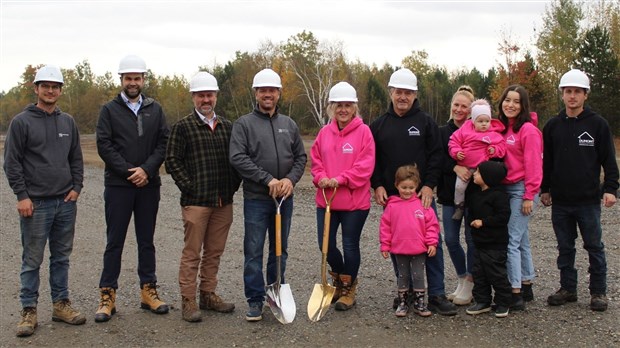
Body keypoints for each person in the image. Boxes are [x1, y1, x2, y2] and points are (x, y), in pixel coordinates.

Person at [3, 65, 86, 337]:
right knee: (32, 259)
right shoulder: (21, 122)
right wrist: (22, 196)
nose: (50, 90)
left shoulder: (67, 122)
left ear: (60, 90)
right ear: (35, 88)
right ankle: (29, 310)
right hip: (35, 204)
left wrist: (77, 188)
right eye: (45, 85)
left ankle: (61, 305)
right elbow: (11, 163)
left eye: (55, 86)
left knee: (61, 257)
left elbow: (75, 158)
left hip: (65, 202)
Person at [370, 68, 456, 316]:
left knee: (432, 243)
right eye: (399, 92)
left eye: (408, 92)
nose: (403, 97)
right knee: (399, 246)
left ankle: (437, 294)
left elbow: (436, 156)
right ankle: (405, 294)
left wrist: (429, 184)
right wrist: (377, 185)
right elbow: (372, 159)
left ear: (414, 94)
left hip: (422, 198)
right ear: (391, 92)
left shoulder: (425, 122)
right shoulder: (379, 125)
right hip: (394, 199)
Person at [94, 55, 170, 322]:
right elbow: (104, 145)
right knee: (114, 241)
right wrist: (129, 172)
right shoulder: (109, 110)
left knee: (146, 240)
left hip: (148, 185)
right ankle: (107, 295)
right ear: (121, 80)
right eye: (128, 78)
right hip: (118, 186)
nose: (133, 83)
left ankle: (148, 291)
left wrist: (146, 170)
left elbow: (163, 143)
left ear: (143, 80)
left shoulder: (155, 109)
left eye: (137, 78)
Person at [229, 68, 307, 322]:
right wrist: (267, 179)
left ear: (278, 93)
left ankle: (275, 290)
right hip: (257, 199)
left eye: (272, 90)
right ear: (256, 93)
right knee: (253, 250)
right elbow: (238, 158)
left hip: (284, 199)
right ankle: (254, 299)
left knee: (279, 249)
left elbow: (300, 157)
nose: (267, 94)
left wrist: (289, 180)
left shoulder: (289, 124)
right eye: (263, 90)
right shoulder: (244, 124)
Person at [165, 72, 241, 322]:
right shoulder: (183, 127)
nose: (205, 99)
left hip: (223, 202)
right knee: (192, 252)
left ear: (216, 96)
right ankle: (188, 300)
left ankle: (208, 293)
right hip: (196, 202)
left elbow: (237, 160)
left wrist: (232, 187)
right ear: (194, 97)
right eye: (200, 95)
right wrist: (190, 188)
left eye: (209, 95)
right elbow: (172, 161)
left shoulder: (228, 127)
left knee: (214, 252)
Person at [541, 69, 619, 312]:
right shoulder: (553, 126)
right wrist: (545, 189)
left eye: (577, 91)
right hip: (561, 201)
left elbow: (609, 161)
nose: (572, 96)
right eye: (568, 91)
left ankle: (598, 292)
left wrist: (611, 189)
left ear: (585, 95)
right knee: (565, 247)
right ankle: (568, 289)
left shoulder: (598, 125)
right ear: (562, 95)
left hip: (588, 201)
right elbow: (547, 162)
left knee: (594, 246)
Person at [310, 82, 375, 311]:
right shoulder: (324, 133)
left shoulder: (364, 132)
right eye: (339, 105)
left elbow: (365, 165)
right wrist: (321, 178)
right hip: (326, 200)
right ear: (332, 107)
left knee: (349, 245)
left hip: (354, 203)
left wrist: (341, 179)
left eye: (348, 105)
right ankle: (338, 279)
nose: (343, 110)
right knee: (324, 244)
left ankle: (348, 287)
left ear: (354, 107)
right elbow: (316, 161)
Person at [497, 84, 542, 310]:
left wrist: (529, 195)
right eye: (507, 100)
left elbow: (534, 164)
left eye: (516, 101)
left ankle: (514, 293)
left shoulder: (528, 130)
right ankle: (526, 283)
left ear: (523, 106)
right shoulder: (502, 129)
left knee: (511, 239)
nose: (510, 105)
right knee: (521, 238)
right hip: (506, 189)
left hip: (522, 189)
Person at [380, 165, 439, 317]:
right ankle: (403, 303)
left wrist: (432, 242)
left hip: (419, 249)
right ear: (396, 186)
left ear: (416, 186)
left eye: (411, 187)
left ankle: (420, 303)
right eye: (404, 187)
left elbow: (432, 225)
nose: (407, 191)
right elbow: (385, 227)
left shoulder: (423, 205)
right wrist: (385, 245)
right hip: (399, 249)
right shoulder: (392, 206)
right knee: (402, 275)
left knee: (418, 275)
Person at [437, 86, 476, 306]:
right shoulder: (443, 131)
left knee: (471, 240)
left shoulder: (476, 130)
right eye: (456, 105)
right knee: (450, 239)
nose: (459, 109)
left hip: (472, 195)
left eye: (464, 106)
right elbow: (437, 158)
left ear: (471, 110)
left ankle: (470, 281)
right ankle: (462, 278)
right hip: (449, 195)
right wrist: (454, 167)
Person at [464, 161, 512, 318]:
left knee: (497, 273)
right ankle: (482, 300)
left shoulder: (499, 196)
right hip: (479, 243)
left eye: (477, 172)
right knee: (479, 274)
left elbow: (503, 216)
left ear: (488, 177)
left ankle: (503, 302)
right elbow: (471, 212)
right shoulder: (475, 194)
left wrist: (484, 222)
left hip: (495, 244)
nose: (474, 174)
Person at [448, 99, 505, 220]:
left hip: (482, 169)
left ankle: (481, 210)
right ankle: (459, 206)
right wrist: (456, 152)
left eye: (487, 121)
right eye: (480, 121)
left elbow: (502, 147)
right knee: (459, 187)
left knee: (481, 191)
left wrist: (494, 150)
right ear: (473, 121)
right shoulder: (464, 130)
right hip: (465, 167)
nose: (484, 124)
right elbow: (453, 142)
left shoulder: (494, 134)